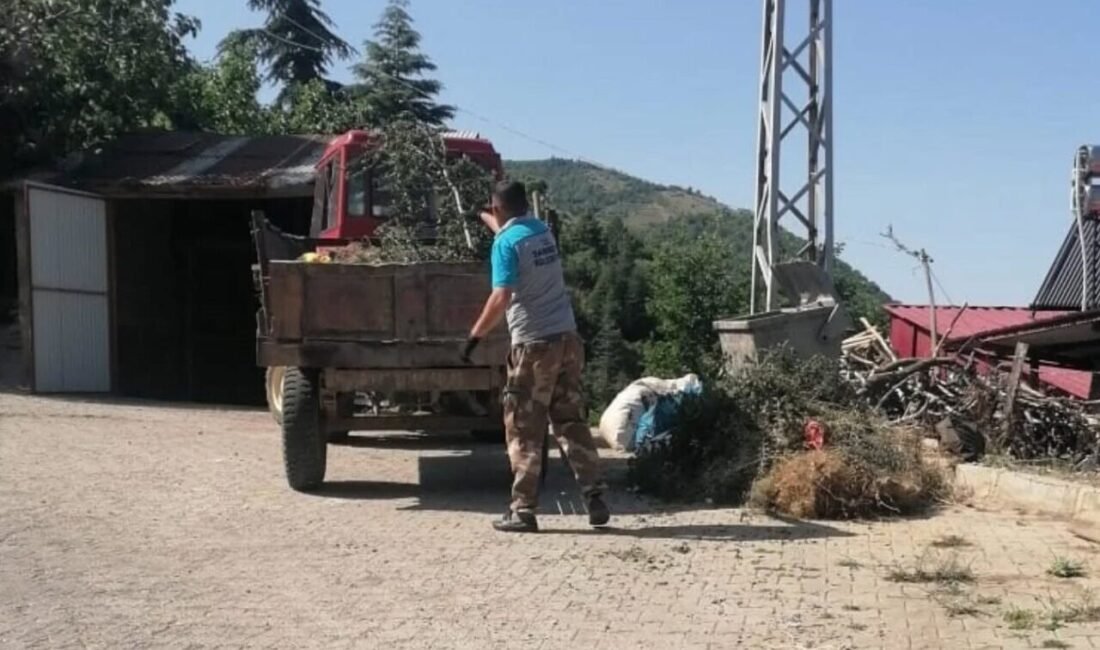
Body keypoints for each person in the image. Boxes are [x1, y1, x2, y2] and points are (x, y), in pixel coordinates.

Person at [463, 180, 610, 533]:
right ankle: (594, 497)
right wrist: (483, 216)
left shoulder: (504, 245)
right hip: (567, 340)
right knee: (570, 420)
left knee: (524, 429)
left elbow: (502, 296)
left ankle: (523, 510)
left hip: (533, 345)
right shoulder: (541, 231)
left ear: (498, 208)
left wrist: (474, 336)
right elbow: (511, 231)